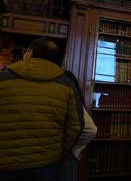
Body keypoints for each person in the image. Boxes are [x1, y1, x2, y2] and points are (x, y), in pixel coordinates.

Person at [0, 37, 84, 181]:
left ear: (30, 53)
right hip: (47, 163)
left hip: (5, 163)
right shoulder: (66, 83)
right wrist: (59, 152)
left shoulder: (3, 78)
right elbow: (76, 126)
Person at [58, 71, 97, 181]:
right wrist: (75, 148)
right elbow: (90, 130)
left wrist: (73, 148)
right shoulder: (71, 97)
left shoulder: (68, 98)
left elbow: (90, 130)